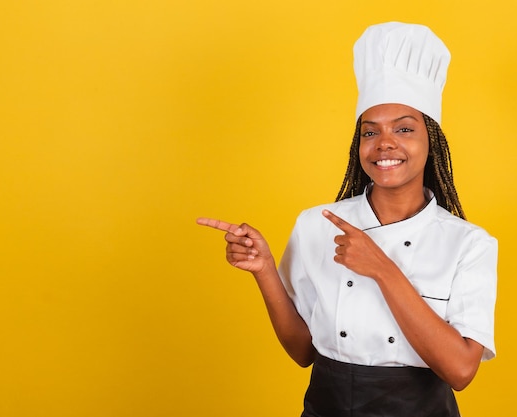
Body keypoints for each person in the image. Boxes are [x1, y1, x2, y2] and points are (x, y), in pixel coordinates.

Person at [197, 21, 497, 417]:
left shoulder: (469, 244)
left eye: (404, 129)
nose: (384, 143)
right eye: (369, 132)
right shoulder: (315, 224)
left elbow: (460, 370)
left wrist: (382, 269)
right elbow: (303, 351)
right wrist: (265, 270)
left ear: (432, 142)